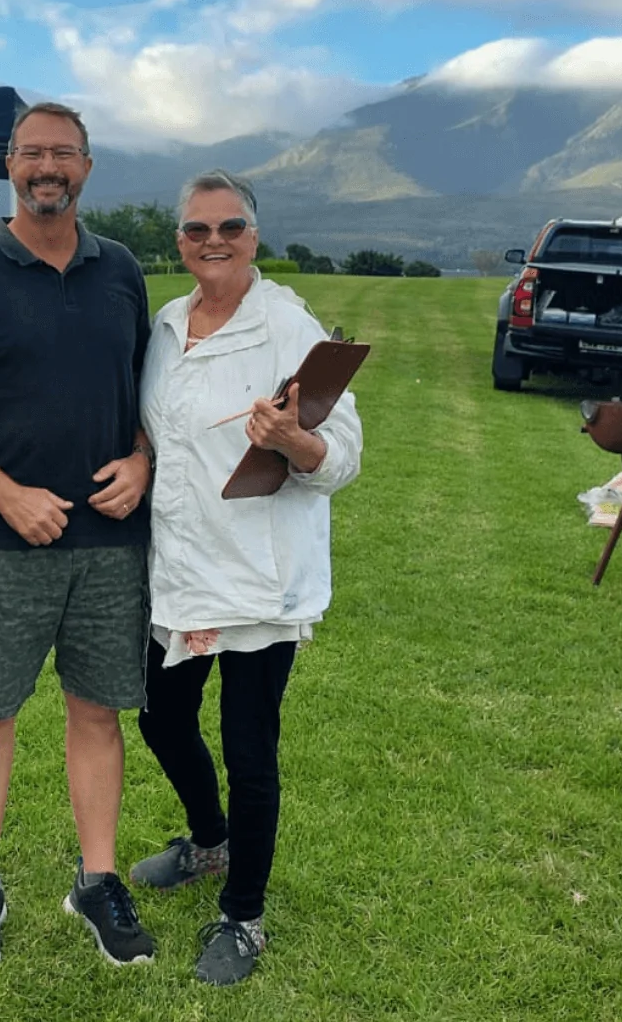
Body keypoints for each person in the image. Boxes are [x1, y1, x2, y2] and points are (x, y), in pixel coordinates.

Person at [0, 102, 157, 970]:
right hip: (4, 543)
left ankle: (98, 878)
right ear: (9, 165)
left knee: (98, 713)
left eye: (65, 154)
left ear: (88, 167)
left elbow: (146, 396)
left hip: (111, 546)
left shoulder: (120, 270)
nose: (49, 167)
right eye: (33, 153)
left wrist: (144, 462)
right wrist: (5, 495)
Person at [126, 169, 362, 986]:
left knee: (249, 749)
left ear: (254, 237)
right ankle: (208, 838)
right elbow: (162, 431)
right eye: (197, 230)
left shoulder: (286, 325)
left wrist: (299, 443)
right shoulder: (165, 325)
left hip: (262, 578)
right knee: (160, 719)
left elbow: (345, 458)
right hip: (180, 566)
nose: (213, 242)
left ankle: (244, 915)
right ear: (180, 241)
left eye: (230, 227)